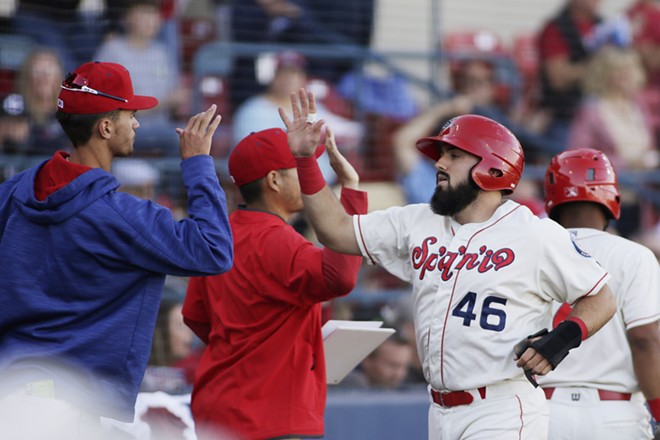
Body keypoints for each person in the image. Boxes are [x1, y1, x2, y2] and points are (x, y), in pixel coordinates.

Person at [280, 88, 617, 439]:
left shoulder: (535, 234)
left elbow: (601, 297)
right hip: (439, 410)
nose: (439, 163)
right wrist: (306, 162)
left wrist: (564, 337)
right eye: (441, 155)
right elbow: (336, 232)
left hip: (500, 406)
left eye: (454, 155)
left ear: (493, 167)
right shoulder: (417, 221)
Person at [0, 61, 233, 439]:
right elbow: (214, 249)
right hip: (65, 406)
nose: (137, 123)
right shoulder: (120, 217)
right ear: (106, 127)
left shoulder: (13, 192)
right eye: (131, 114)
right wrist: (198, 165)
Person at [182, 126, 368, 440]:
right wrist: (350, 190)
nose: (312, 175)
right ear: (274, 180)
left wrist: (250, 344)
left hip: (217, 406)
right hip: (272, 417)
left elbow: (196, 316)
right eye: (301, 167)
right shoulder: (281, 240)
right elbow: (342, 277)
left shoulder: (221, 233)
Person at [538, 148, 660, 440]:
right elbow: (644, 340)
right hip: (614, 416)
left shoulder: (528, 249)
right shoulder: (634, 255)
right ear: (611, 197)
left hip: (538, 411)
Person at [94, 0, 188, 156]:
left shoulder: (162, 53)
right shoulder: (112, 50)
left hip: (162, 127)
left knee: (186, 138)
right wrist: (164, 102)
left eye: (153, 14)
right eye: (144, 13)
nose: (151, 19)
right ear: (127, 18)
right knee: (174, 138)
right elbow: (108, 104)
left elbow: (177, 97)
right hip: (124, 128)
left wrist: (177, 100)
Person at [536, 0, 604, 146]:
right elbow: (558, 79)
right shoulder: (556, 27)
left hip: (602, 116)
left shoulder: (603, 25)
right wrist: (597, 67)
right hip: (566, 117)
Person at [17, 47, 71, 155]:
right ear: (28, 77)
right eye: (38, 71)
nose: (44, 78)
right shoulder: (18, 109)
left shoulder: (69, 111)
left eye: (50, 70)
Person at [340, 332, 415, 390]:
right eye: (392, 365)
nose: (398, 373)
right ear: (367, 360)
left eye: (404, 366)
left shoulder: (411, 387)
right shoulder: (348, 387)